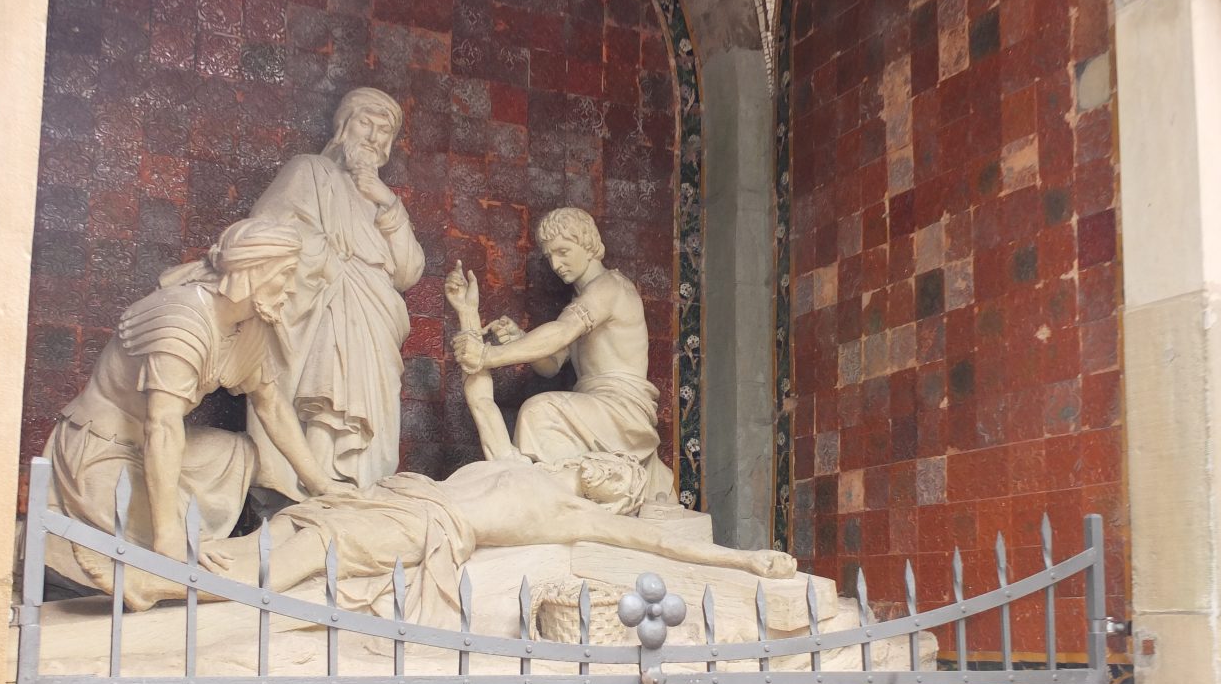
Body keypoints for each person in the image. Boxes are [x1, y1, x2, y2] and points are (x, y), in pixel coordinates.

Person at [88, 448, 796, 613]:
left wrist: (748, 560)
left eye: (622, 477)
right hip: (405, 494)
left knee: (311, 551)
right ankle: (176, 567)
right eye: (610, 460)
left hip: (427, 525)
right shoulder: (527, 464)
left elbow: (662, 543)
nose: (609, 468)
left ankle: (160, 588)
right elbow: (482, 397)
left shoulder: (579, 516)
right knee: (295, 525)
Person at [45, 219, 351, 590]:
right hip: (99, 451)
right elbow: (162, 425)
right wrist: (169, 537)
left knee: (238, 454)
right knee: (165, 536)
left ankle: (213, 544)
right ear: (253, 271)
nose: (290, 288)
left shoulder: (249, 323)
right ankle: (165, 549)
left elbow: (271, 406)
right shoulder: (182, 319)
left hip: (156, 448)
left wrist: (320, 484)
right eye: (286, 274)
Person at [247, 87, 425, 498]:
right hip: (325, 299)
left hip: (375, 313)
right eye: (366, 123)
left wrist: (387, 202)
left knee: (368, 398)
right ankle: (314, 488)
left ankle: (363, 490)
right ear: (344, 125)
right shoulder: (309, 171)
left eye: (384, 131)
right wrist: (326, 260)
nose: (374, 137)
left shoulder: (383, 202)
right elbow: (268, 230)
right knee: (327, 388)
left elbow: (408, 271)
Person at [448, 207, 675, 500]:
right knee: (540, 418)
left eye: (563, 251)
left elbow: (562, 332)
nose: (556, 264)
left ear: (588, 243)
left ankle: (556, 500)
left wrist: (487, 356)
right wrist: (521, 340)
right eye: (550, 256)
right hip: (596, 406)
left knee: (539, 412)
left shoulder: (611, 287)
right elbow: (552, 365)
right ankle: (560, 498)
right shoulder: (581, 300)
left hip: (622, 410)